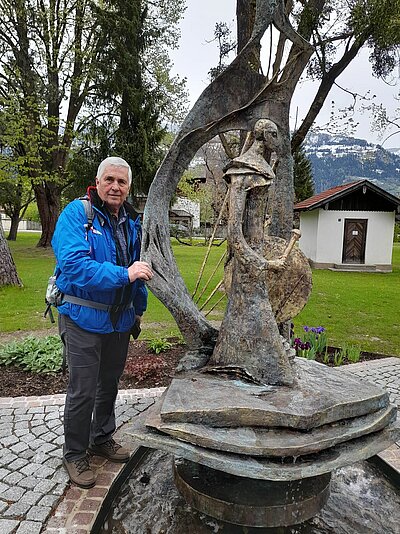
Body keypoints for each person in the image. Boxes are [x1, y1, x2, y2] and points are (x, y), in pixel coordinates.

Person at [52, 156, 153, 488]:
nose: (115, 186)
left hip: (119, 322)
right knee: (83, 390)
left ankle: (101, 437)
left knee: (109, 384)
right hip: (81, 317)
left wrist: (138, 309)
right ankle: (75, 453)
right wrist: (124, 274)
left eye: (122, 182)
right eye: (109, 179)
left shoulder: (130, 222)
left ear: (128, 188)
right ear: (97, 182)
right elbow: (74, 266)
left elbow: (141, 272)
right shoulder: (77, 216)